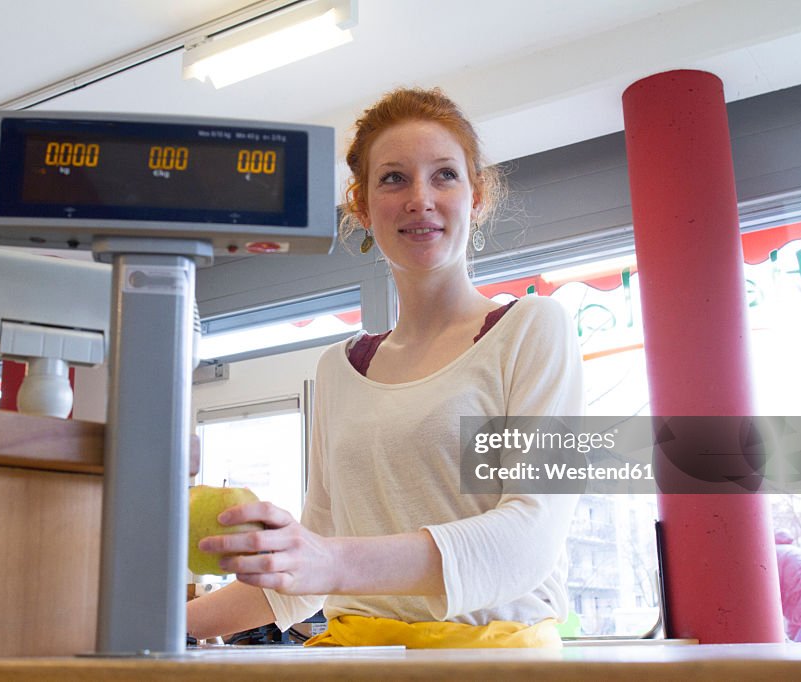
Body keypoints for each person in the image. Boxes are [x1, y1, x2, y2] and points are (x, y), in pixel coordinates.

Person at [186, 87, 584, 648]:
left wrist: (330, 561)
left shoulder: (536, 328)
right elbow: (306, 580)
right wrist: (160, 623)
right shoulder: (339, 368)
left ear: (478, 197)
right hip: (356, 658)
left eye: (444, 175)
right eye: (394, 178)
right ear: (363, 207)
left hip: (495, 664)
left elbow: (531, 539)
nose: (420, 197)